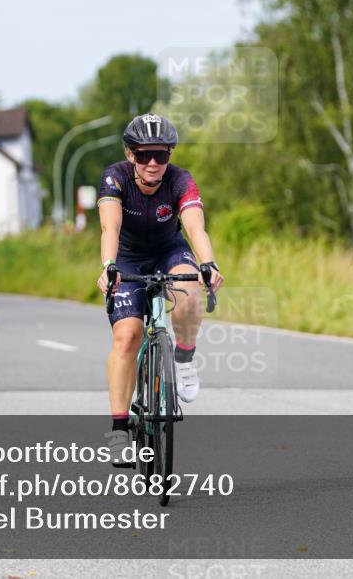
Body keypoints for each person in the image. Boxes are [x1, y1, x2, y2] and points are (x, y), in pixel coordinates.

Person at [94, 114, 224, 467]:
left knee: (190, 286)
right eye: (143, 154)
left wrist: (208, 262)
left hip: (169, 250)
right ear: (130, 154)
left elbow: (196, 228)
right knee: (127, 335)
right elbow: (110, 227)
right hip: (128, 258)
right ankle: (119, 429)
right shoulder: (115, 177)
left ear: (170, 155)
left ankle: (183, 358)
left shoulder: (180, 180)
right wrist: (109, 266)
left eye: (161, 155)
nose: (153, 163)